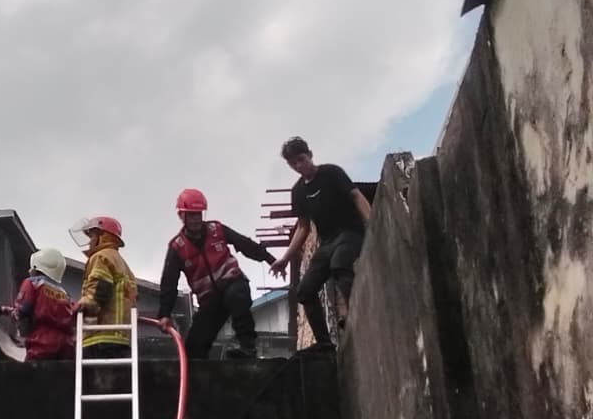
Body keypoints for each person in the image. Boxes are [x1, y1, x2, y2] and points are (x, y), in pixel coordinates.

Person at [270, 137, 370, 352]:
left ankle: (358, 317)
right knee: (304, 291)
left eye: (301, 159)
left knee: (340, 264)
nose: (299, 166)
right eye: (293, 164)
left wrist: (372, 223)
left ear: (310, 155)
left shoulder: (331, 173)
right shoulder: (298, 191)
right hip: (327, 243)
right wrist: (285, 258)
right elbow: (303, 227)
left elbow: (356, 196)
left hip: (350, 232)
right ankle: (324, 344)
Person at [158, 188, 276, 360]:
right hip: (210, 300)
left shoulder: (217, 230)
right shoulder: (177, 247)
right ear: (181, 216)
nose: (196, 219)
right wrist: (164, 314)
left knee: (237, 296)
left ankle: (247, 347)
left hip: (232, 284)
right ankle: (199, 374)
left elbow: (244, 244)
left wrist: (270, 260)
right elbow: (169, 283)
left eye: (199, 214)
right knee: (193, 349)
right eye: (191, 215)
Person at [68, 216, 137, 359]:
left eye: (92, 236)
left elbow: (100, 289)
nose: (90, 241)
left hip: (101, 334)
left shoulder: (101, 257)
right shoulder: (123, 264)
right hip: (121, 336)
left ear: (103, 236)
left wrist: (80, 306)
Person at [7, 248, 76, 361]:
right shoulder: (65, 294)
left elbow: (23, 309)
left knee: (34, 371)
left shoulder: (32, 283)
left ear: (36, 267)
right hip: (66, 345)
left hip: (41, 341)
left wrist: (13, 313)